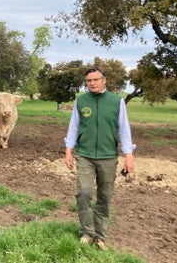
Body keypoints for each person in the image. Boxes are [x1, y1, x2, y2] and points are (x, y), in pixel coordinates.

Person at [64, 66, 135, 251]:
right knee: (84, 193)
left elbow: (124, 130)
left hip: (108, 157)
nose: (92, 83)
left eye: (96, 80)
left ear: (104, 80)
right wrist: (68, 149)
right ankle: (86, 233)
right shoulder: (81, 101)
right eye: (89, 81)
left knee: (104, 197)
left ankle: (100, 236)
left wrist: (129, 155)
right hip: (85, 155)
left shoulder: (116, 102)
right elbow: (74, 127)